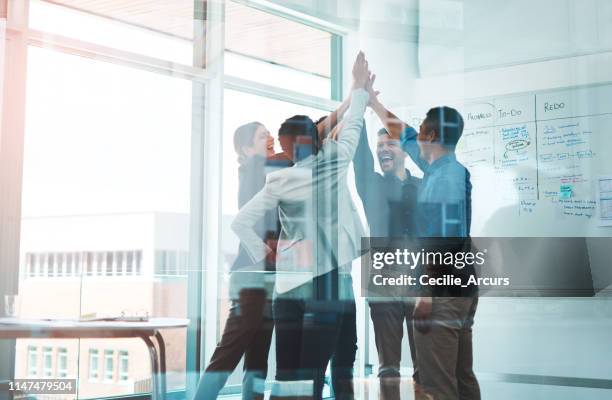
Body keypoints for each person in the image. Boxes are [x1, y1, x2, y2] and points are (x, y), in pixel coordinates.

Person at [231, 52, 372, 400]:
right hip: (326, 284)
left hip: (289, 287)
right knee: (312, 374)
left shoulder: (279, 180)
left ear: (290, 145)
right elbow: (353, 121)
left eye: (284, 144)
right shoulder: (337, 158)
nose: (284, 150)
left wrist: (267, 251)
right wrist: (360, 91)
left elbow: (240, 223)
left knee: (288, 375)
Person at [367, 81, 481, 400]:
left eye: (420, 130)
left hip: (442, 292)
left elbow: (441, 241)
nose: (413, 135)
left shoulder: (444, 179)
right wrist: (375, 103)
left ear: (430, 136)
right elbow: (401, 132)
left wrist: (426, 293)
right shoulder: (442, 168)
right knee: (460, 376)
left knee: (438, 384)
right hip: (460, 288)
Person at [195, 122, 289, 400]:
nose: (271, 137)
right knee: (233, 347)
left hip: (267, 275)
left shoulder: (264, 172)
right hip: (251, 275)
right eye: (263, 136)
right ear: (246, 149)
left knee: (258, 351)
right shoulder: (254, 168)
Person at [353, 119, 421, 400]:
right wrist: (360, 105)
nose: (383, 149)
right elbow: (360, 158)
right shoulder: (373, 186)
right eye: (379, 145)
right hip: (384, 281)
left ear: (405, 151)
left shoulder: (425, 185)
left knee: (426, 365)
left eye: (390, 144)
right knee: (388, 368)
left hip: (421, 281)